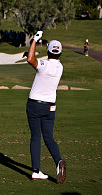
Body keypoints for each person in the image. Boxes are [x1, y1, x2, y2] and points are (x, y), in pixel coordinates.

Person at [25, 31, 66, 184]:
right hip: (50, 107)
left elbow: (31, 59)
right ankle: (58, 161)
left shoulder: (43, 65)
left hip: (34, 105)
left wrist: (34, 40)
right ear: (60, 52)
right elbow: (39, 62)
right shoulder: (60, 67)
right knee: (48, 137)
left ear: (47, 50)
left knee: (36, 137)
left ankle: (36, 171)